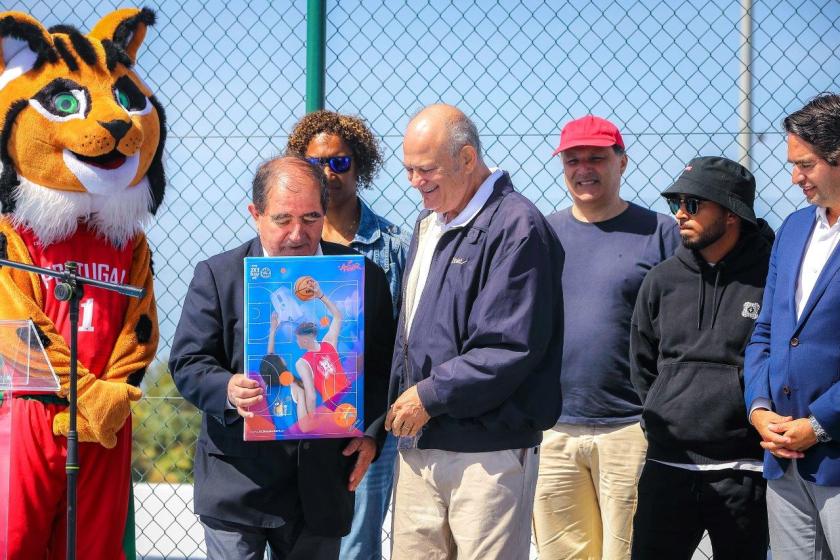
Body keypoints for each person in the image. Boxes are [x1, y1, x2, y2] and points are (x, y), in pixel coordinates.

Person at [169, 156, 395, 559]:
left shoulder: (361, 279)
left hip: (322, 487)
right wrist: (228, 389)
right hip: (238, 484)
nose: (297, 234)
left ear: (325, 211)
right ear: (255, 214)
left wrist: (372, 433)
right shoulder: (219, 276)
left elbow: (383, 368)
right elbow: (188, 362)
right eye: (282, 219)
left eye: (311, 218)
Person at [385, 103, 564, 559]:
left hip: (488, 453)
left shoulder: (518, 226)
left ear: (467, 159)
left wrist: (428, 396)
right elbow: (409, 335)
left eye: (426, 169)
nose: (414, 182)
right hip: (419, 446)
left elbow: (509, 345)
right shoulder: (428, 224)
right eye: (408, 169)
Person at [533, 115, 679, 559]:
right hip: (552, 430)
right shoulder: (541, 233)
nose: (584, 169)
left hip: (630, 429)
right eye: (573, 159)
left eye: (597, 157)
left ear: (623, 162)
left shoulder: (660, 233)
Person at [630, 156, 772, 559]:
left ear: (731, 213)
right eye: (677, 201)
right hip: (666, 465)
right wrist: (667, 403)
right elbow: (641, 366)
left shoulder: (772, 276)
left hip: (744, 472)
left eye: (693, 204)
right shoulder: (661, 280)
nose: (679, 213)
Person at [286, 111, 408, 560]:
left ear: (361, 166)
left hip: (367, 423)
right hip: (300, 422)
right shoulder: (289, 242)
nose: (328, 173)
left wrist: (376, 424)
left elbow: (397, 342)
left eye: (340, 162)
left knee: (358, 544)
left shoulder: (392, 245)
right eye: (316, 163)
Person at [745, 92, 840, 559]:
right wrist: (759, 408)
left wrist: (819, 425)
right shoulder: (793, 229)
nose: (794, 177)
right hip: (782, 459)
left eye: (805, 164)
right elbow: (766, 331)